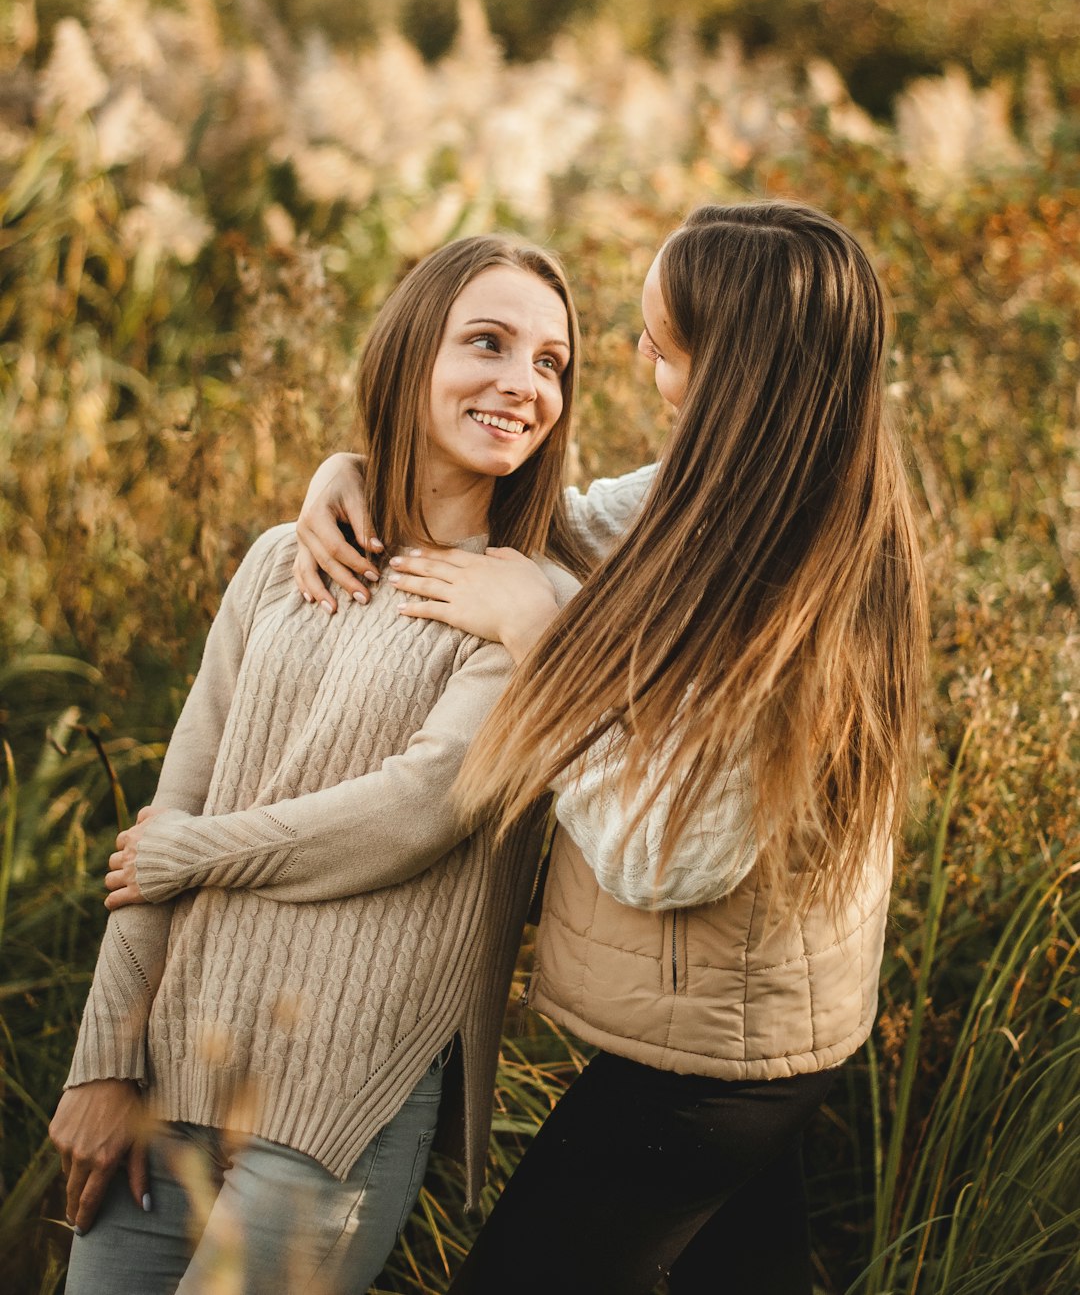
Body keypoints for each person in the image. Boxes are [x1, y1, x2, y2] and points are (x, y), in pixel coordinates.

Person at [291, 201, 928, 1295]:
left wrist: (545, 638)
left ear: (736, 372)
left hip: (712, 1067)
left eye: (662, 345)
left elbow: (668, 857)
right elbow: (558, 528)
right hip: (745, 1028)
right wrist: (356, 470)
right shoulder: (733, 482)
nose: (641, 366)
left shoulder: (802, 586)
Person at [49, 235, 589, 1295]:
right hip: (171, 1062)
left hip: (345, 1097)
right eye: (488, 341)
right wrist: (104, 1062)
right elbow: (176, 797)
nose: (522, 383)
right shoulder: (278, 559)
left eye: (551, 362)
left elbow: (419, 807)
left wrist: (188, 854)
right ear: (406, 353)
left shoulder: (531, 603)